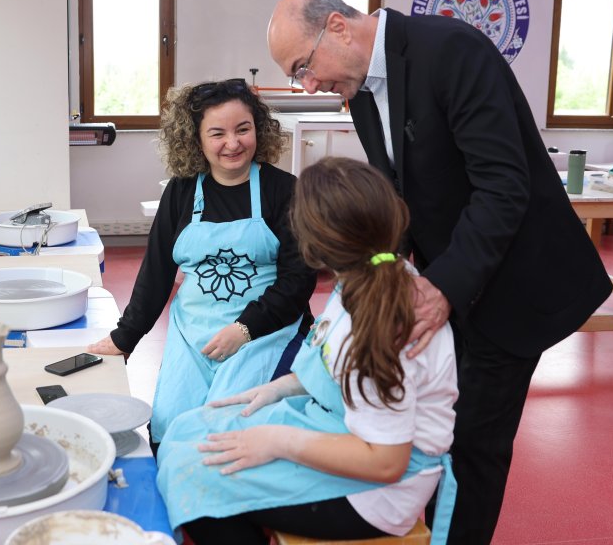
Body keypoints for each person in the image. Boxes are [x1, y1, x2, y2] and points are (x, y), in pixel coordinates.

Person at [267, 0, 612, 544]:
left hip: (515, 284)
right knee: (441, 431)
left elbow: (504, 187)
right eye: (296, 77)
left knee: (475, 445)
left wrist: (443, 287)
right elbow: (402, 195)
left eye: (304, 68)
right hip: (452, 274)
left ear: (337, 26)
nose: (308, 86)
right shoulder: (360, 89)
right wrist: (377, 272)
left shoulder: (452, 52)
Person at [157, 157, 457, 545]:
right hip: (340, 430)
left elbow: (386, 462)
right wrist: (281, 388)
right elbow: (335, 365)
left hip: (376, 494)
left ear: (312, 245)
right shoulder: (374, 271)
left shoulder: (375, 326)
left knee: (195, 475)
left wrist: (276, 441)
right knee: (185, 430)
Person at [86, 78, 316, 445]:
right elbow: (157, 272)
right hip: (193, 333)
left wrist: (244, 330)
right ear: (195, 139)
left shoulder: (284, 190)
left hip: (265, 332)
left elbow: (298, 280)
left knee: (231, 427)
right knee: (170, 428)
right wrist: (124, 337)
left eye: (243, 129)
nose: (233, 143)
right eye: (217, 133)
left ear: (259, 129)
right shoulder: (181, 191)